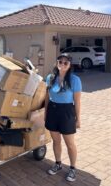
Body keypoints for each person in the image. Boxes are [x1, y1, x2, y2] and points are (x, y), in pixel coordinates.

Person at [44, 53, 82, 182]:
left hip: (67, 112)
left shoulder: (75, 80)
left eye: (66, 62)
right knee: (56, 141)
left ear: (70, 65)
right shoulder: (50, 78)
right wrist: (45, 113)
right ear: (57, 63)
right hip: (53, 112)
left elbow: (77, 101)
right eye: (60, 62)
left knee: (70, 144)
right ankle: (58, 163)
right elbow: (47, 97)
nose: (63, 64)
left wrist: (78, 118)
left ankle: (72, 168)